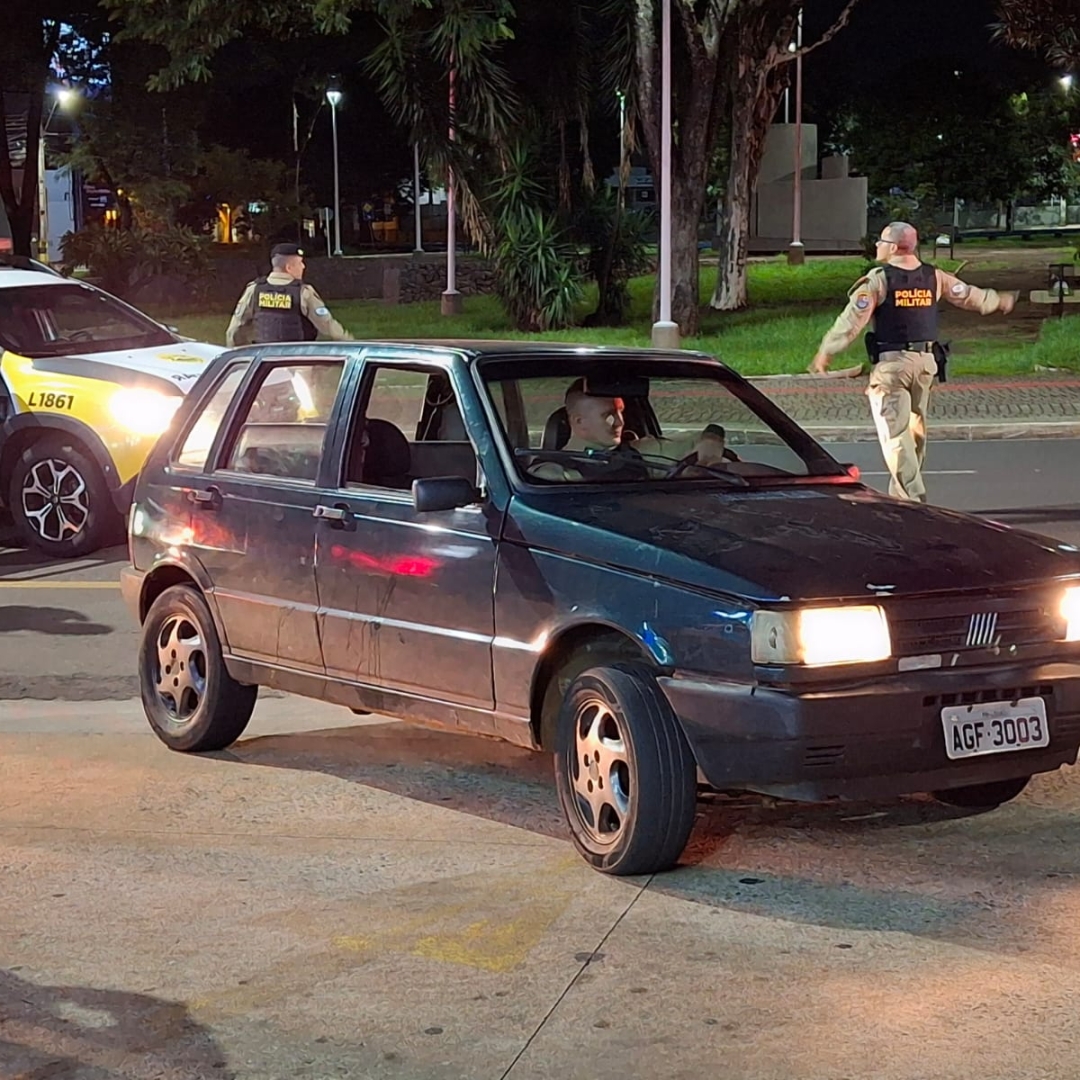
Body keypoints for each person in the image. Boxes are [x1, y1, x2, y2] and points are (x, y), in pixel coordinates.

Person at [809, 221, 1017, 502]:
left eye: (882, 242)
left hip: (892, 368)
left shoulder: (879, 279)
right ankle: (902, 495)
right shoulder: (934, 277)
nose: (878, 246)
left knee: (896, 436)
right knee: (915, 434)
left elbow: (851, 321)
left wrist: (826, 351)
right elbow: (968, 296)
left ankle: (912, 500)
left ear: (894, 247)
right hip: (926, 365)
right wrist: (998, 301)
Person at [225, 243, 353, 347]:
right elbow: (328, 326)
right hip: (297, 362)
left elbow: (235, 329)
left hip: (265, 364)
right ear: (289, 268)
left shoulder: (254, 290)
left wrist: (239, 354)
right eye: (300, 263)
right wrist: (352, 344)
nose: (303, 267)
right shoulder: (303, 293)